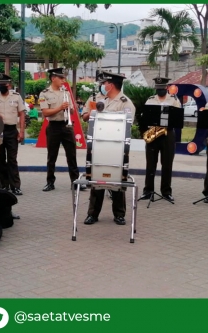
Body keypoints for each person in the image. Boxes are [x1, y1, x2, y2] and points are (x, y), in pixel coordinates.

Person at [82, 71, 135, 225]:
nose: (103, 86)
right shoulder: (98, 100)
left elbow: (127, 127)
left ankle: (119, 214)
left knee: (118, 180)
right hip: (98, 146)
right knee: (97, 177)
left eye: (105, 83)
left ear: (111, 85)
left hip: (117, 149)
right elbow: (87, 118)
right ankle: (93, 213)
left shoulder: (126, 103)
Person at [39, 68, 85, 192]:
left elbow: (72, 111)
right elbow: (45, 112)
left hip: (67, 126)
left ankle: (75, 182)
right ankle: (50, 182)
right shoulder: (44, 93)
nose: (63, 80)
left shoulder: (66, 92)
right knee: (51, 156)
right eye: (61, 78)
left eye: (64, 78)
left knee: (72, 155)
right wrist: (60, 107)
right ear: (53, 78)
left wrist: (70, 108)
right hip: (53, 126)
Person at [139, 77, 181, 202]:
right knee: (150, 164)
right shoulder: (150, 100)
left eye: (162, 88)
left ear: (167, 88)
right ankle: (148, 191)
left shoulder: (174, 101)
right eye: (158, 88)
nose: (160, 90)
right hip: (153, 133)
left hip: (168, 133)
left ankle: (166, 192)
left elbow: (177, 118)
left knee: (167, 164)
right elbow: (145, 118)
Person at [0, 73, 25, 195]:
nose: (1, 86)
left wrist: (21, 131)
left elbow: (21, 114)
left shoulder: (16, 97)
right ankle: (3, 185)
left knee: (12, 159)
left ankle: (15, 186)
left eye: (3, 84)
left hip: (11, 130)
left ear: (9, 85)